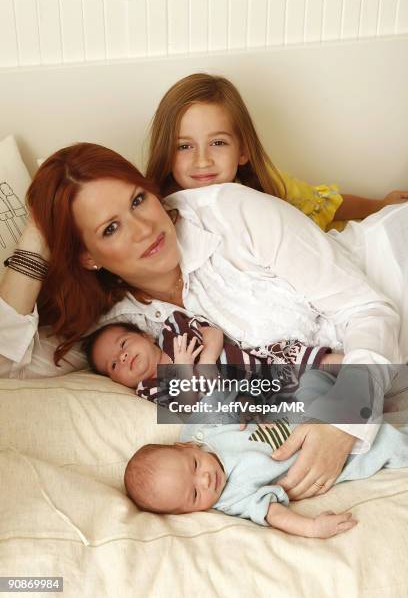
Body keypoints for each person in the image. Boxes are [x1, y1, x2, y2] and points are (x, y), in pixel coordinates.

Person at [0, 142, 406, 502]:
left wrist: (342, 421)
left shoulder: (229, 212)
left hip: (395, 267)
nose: (145, 229)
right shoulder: (112, 327)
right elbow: (8, 365)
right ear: (88, 257)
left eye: (138, 200)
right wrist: (40, 227)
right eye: (110, 228)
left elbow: (368, 310)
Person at [123, 369, 408, 538]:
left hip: (302, 410)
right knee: (387, 443)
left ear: (185, 447)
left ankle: (373, 390)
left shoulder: (199, 431)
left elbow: (223, 391)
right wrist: (311, 528)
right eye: (194, 495)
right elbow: (272, 514)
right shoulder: (231, 498)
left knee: (314, 377)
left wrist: (244, 404)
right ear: (184, 513)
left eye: (195, 466)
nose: (205, 480)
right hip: (327, 455)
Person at [146, 73, 408, 231]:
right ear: (166, 154)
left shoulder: (268, 185)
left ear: (243, 151)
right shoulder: (161, 211)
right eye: (184, 146)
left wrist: (379, 205)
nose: (202, 161)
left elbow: (329, 205)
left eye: (218, 143)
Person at [83, 310, 340, 404]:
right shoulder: (149, 389)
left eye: (124, 344)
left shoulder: (173, 330)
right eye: (114, 364)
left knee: (307, 360)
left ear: (145, 336)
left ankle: (368, 367)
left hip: (261, 363)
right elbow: (187, 401)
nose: (124, 356)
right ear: (115, 381)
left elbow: (213, 333)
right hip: (253, 396)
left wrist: (205, 360)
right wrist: (182, 367)